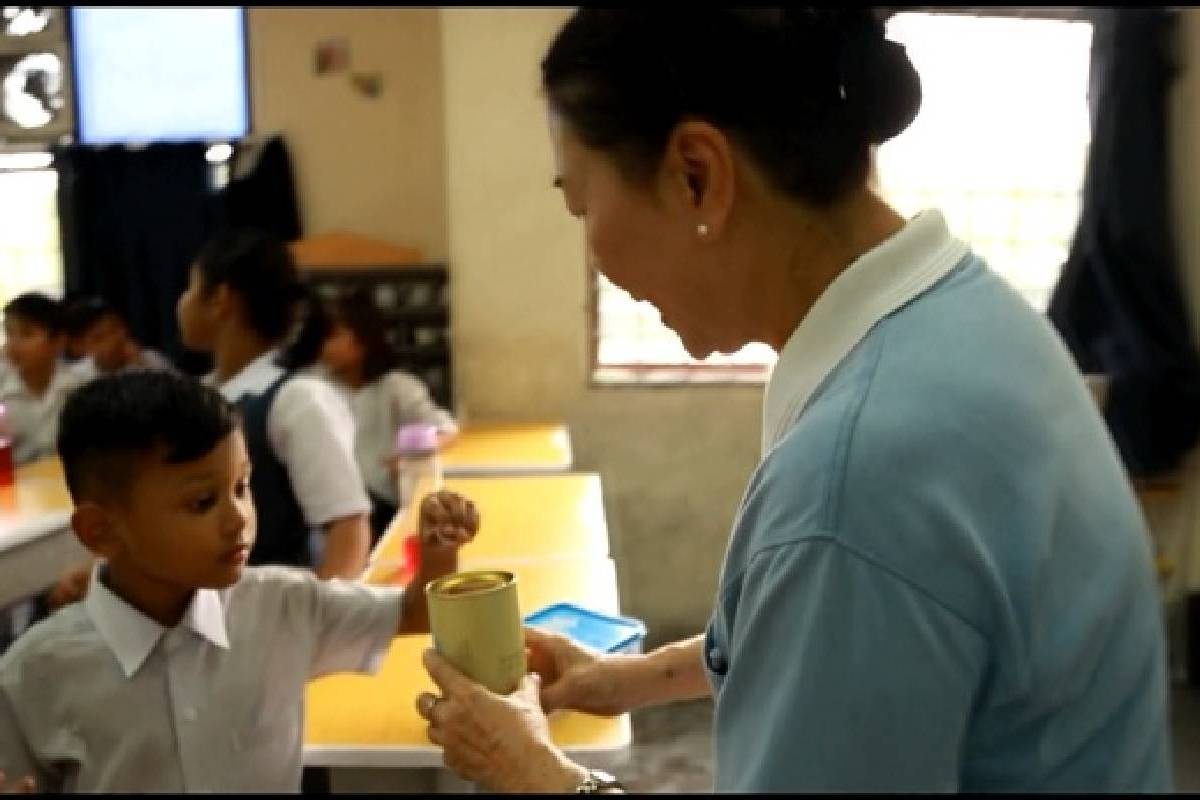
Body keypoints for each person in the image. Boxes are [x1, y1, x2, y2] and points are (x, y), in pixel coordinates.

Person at [413, 8, 1171, 793]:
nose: (595, 254)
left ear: (696, 174)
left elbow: (851, 562)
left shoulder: (855, 481)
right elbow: (876, 638)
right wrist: (630, 677)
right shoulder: (967, 318)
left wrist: (533, 773)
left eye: (581, 205)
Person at [0, 370, 480, 792]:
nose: (239, 519)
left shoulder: (283, 605)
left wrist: (438, 556)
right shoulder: (33, 675)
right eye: (201, 503)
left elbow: (414, 612)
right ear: (101, 531)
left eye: (242, 487)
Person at [317, 287, 458, 543]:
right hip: (337, 506)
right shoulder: (316, 390)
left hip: (383, 504)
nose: (325, 346)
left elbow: (446, 430)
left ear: (362, 340)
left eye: (334, 336)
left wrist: (410, 456)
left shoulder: (396, 387)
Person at [0, 293, 87, 465]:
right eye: (9, 333)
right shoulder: (3, 389)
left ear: (59, 342)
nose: (13, 344)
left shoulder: (80, 389)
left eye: (26, 334)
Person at [64, 296, 174, 377]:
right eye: (100, 337)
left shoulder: (152, 359)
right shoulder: (76, 378)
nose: (114, 339)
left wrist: (139, 364)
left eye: (116, 328)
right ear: (80, 347)